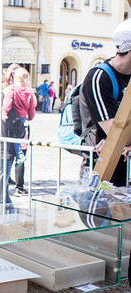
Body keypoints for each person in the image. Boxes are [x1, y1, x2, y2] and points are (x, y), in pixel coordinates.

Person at [80, 18, 131, 187]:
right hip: (103, 172)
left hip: (125, 168)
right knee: (100, 213)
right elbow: (118, 136)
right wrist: (122, 139)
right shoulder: (98, 78)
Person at [1, 67, 35, 168]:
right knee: (20, 137)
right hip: (23, 117)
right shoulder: (29, 92)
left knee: (15, 138)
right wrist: (31, 116)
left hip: (15, 115)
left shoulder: (12, 89)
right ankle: (20, 155)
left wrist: (4, 112)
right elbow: (32, 106)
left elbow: (8, 101)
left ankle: (20, 156)